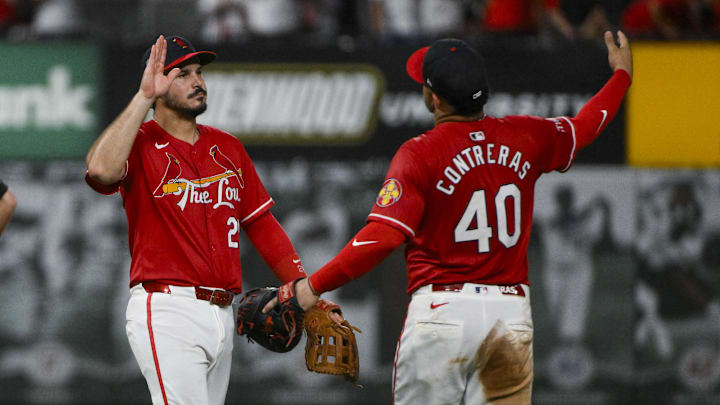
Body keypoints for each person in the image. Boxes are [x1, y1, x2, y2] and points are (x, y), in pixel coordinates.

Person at [271, 31, 633, 403]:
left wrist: (312, 286)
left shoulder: (419, 153)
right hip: (508, 314)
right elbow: (589, 123)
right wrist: (621, 75)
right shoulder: (527, 135)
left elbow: (382, 237)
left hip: (443, 312)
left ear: (433, 97)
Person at [84, 35, 308, 405]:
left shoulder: (228, 147)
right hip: (168, 309)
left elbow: (262, 224)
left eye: (199, 72)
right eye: (182, 74)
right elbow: (101, 170)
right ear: (155, 83)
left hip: (223, 313)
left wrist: (301, 287)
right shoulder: (138, 143)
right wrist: (143, 98)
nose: (198, 81)